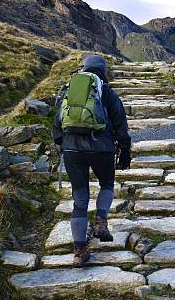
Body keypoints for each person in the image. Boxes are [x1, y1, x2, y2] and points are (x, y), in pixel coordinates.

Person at [53, 55, 131, 267]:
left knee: (79, 198)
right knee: (106, 184)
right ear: (103, 71)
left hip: (71, 149)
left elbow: (58, 121)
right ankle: (101, 221)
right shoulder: (106, 91)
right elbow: (120, 123)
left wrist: (61, 144)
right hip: (102, 148)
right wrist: (125, 149)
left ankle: (79, 251)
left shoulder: (69, 89)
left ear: (84, 69)